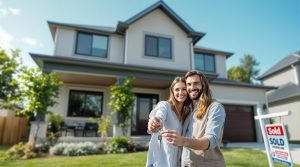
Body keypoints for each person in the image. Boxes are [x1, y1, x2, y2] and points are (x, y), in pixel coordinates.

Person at [148, 70, 226, 167]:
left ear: (204, 85)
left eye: (196, 83)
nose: (192, 87)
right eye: (189, 84)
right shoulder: (188, 110)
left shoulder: (215, 107)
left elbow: (211, 140)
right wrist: (154, 120)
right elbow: (160, 113)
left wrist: (183, 141)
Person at [146, 77, 190, 167]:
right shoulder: (165, 105)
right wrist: (155, 121)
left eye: (184, 89)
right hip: (159, 162)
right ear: (172, 92)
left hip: (175, 162)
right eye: (177, 89)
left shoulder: (186, 112)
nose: (180, 92)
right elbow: (159, 114)